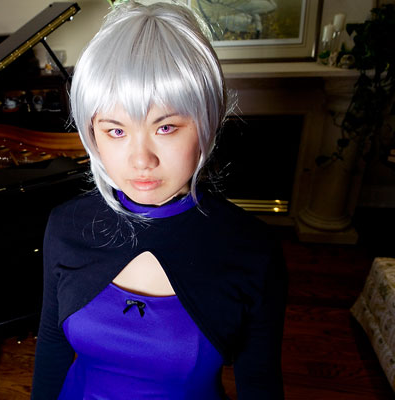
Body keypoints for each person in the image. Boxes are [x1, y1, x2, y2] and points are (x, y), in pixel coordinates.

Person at [31, 1, 287, 399]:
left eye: (165, 127)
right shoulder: (66, 225)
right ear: (92, 132)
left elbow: (260, 385)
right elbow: (51, 344)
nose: (141, 160)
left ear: (206, 122)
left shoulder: (254, 250)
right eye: (116, 131)